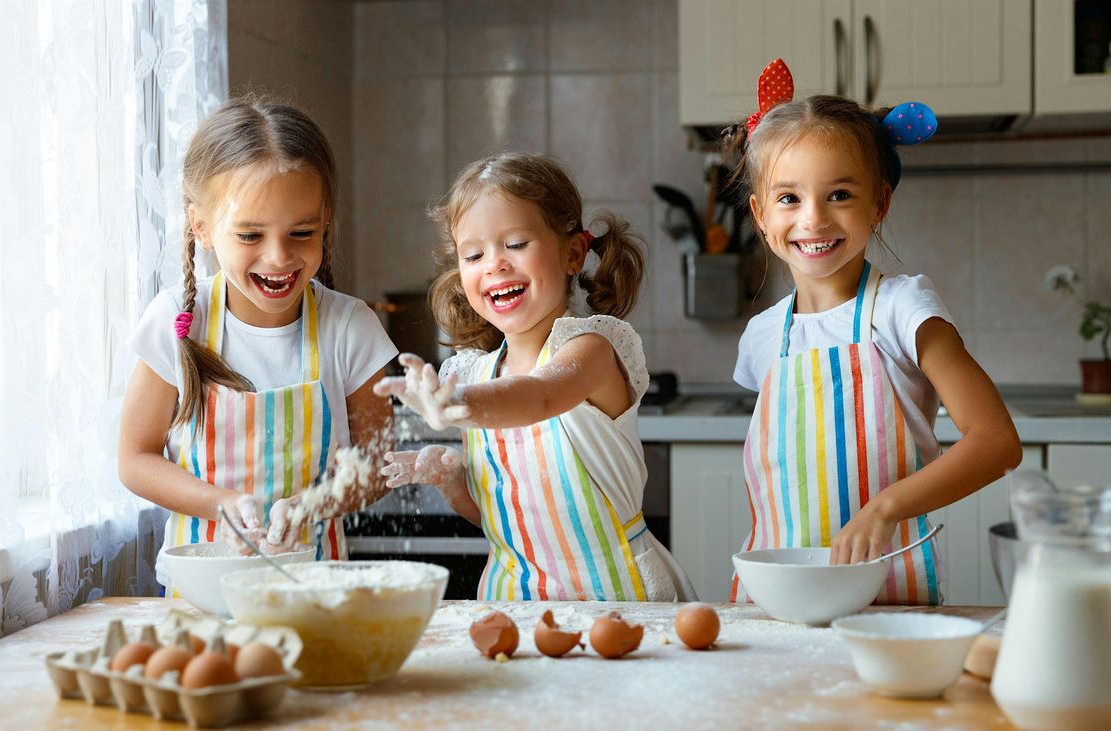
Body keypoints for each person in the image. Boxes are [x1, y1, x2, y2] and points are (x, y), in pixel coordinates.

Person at [725, 60, 1021, 604]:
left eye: (839, 194)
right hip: (776, 597)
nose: (813, 219)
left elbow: (997, 442)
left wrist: (884, 508)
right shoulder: (763, 337)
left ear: (879, 202)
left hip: (886, 594)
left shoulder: (904, 309)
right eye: (789, 198)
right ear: (760, 215)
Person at [375, 152, 696, 602]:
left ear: (572, 254)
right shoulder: (474, 372)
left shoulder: (590, 349)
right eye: (473, 254)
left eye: (516, 244)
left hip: (617, 596)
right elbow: (500, 519)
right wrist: (449, 482)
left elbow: (541, 396)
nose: (495, 265)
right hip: (514, 600)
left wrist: (458, 404)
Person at [118, 98, 397, 594]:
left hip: (316, 591)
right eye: (250, 234)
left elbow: (376, 468)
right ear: (201, 226)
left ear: (325, 220)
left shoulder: (350, 327)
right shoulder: (177, 322)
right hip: (200, 593)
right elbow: (136, 458)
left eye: (302, 232)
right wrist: (221, 504)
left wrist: (316, 504)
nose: (279, 257)